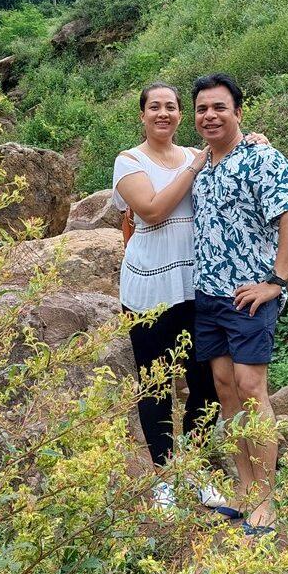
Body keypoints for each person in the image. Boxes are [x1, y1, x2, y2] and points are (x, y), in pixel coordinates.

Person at [112, 82, 239, 514]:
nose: (162, 113)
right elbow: (150, 210)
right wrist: (194, 166)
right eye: (154, 107)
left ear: (180, 114)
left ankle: (196, 468)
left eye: (170, 107)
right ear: (143, 115)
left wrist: (255, 139)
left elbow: (235, 155)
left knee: (206, 382)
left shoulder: (197, 155)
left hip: (196, 288)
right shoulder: (129, 161)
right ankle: (165, 477)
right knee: (155, 384)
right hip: (147, 290)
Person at [191, 73, 288, 534]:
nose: (210, 115)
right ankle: (243, 487)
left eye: (219, 107)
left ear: (238, 112)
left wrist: (276, 281)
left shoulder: (262, 159)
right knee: (224, 387)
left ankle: (266, 498)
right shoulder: (201, 165)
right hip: (208, 294)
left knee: (251, 387)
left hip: (249, 296)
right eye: (202, 109)